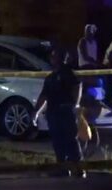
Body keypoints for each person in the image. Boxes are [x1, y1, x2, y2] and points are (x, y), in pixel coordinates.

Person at [34, 47, 84, 178]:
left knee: (71, 140)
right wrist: (36, 112)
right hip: (53, 112)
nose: (53, 59)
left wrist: (75, 104)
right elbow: (43, 96)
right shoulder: (50, 78)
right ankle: (62, 168)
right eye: (53, 56)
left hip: (66, 111)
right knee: (58, 141)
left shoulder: (68, 73)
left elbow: (77, 87)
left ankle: (79, 169)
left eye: (56, 56)